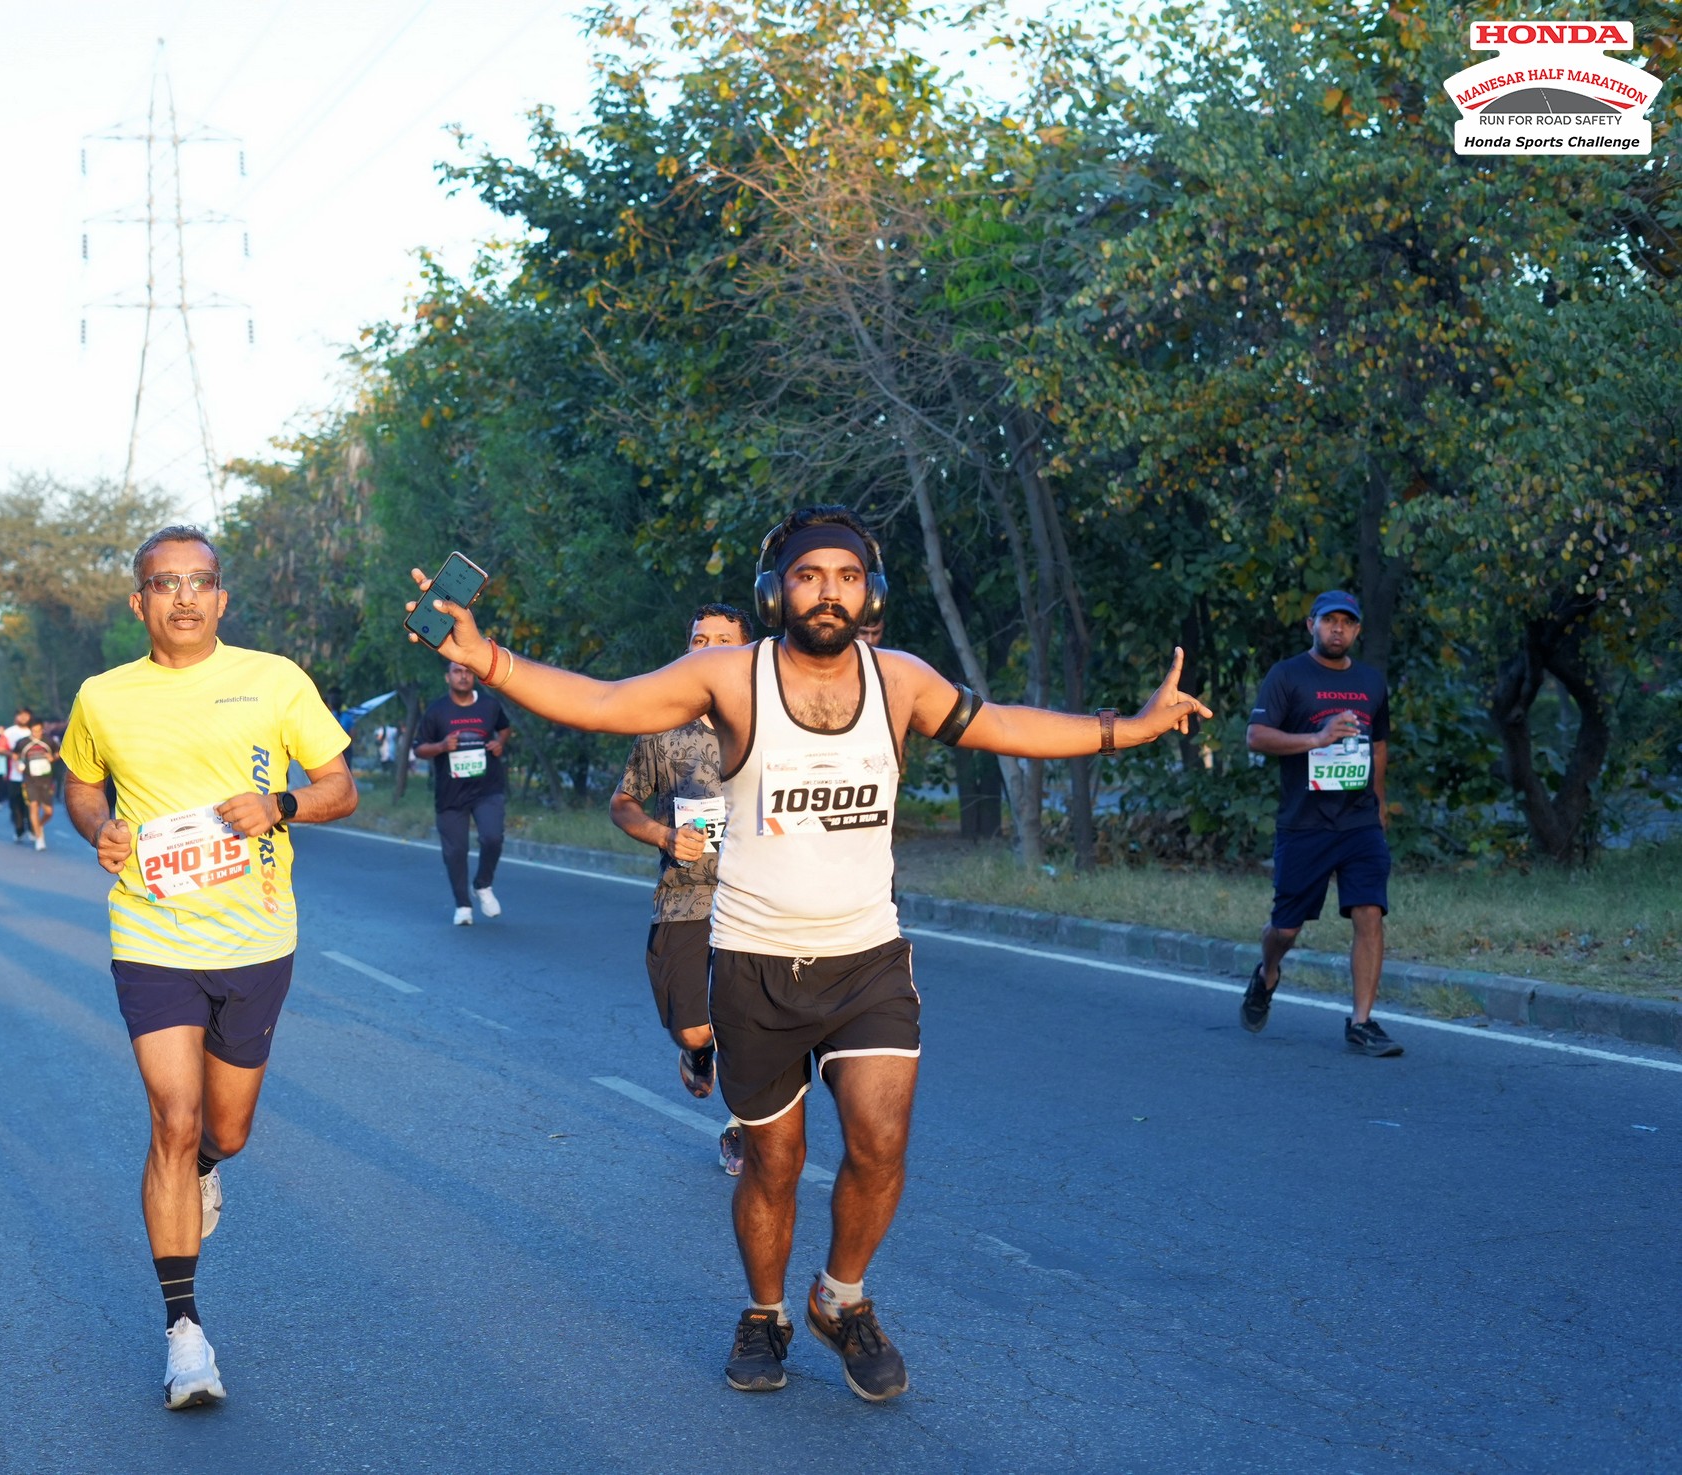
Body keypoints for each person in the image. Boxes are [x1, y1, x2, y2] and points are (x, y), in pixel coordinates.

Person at [405, 504, 1210, 1401]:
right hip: (755, 963)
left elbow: (1008, 725)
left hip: (867, 958)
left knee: (881, 1143)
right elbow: (601, 702)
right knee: (773, 1163)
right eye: (809, 575)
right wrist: (488, 658)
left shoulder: (900, 680)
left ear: (872, 593)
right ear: (775, 590)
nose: (829, 593)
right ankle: (765, 1312)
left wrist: (1129, 728)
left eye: (848, 577)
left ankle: (840, 1296)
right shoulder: (729, 676)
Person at [61, 525, 356, 1411]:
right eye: (166, 582)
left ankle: (206, 1164)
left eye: (200, 581)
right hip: (151, 931)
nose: (184, 596)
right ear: (139, 601)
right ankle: (184, 1333)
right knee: (173, 1118)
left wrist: (282, 802)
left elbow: (340, 786)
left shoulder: (274, 679)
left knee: (226, 1128)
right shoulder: (103, 696)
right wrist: (99, 827)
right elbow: (80, 783)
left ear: (222, 598)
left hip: (256, 936)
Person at [610, 603, 754, 1175]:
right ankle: (699, 1052)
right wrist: (664, 835)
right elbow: (624, 803)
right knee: (693, 1027)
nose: (709, 649)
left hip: (758, 898)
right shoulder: (663, 728)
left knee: (752, 1022)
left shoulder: (771, 726)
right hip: (685, 896)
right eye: (699, 640)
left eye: (723, 640)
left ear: (748, 652)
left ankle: (742, 1124)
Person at [1240, 590, 1401, 1057]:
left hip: (1359, 822)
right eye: (1329, 620)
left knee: (1370, 912)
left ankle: (1362, 1023)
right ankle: (1267, 972)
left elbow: (1378, 744)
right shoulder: (1287, 675)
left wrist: (1379, 800)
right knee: (1286, 930)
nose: (1337, 629)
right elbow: (1256, 736)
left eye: (1346, 622)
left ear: (1357, 630)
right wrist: (1318, 737)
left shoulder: (1371, 681)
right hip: (1304, 823)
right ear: (1311, 625)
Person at [412, 661, 514, 926]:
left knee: (492, 838)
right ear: (448, 677)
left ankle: (483, 884)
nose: (463, 676)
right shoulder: (437, 711)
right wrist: (442, 746)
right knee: (455, 851)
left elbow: (504, 728)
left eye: (468, 671)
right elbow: (419, 749)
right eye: (457, 671)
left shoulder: (489, 706)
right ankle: (463, 905)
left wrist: (500, 743)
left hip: (487, 788)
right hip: (451, 793)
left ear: (474, 677)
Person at [20, 719, 59, 850]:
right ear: (30, 730)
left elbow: (60, 752)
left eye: (38, 731)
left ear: (42, 730)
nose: (36, 733)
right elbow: (15, 755)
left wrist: (53, 757)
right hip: (30, 780)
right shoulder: (23, 743)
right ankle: (39, 838)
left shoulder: (49, 741)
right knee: (34, 806)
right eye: (33, 731)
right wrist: (18, 765)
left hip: (46, 780)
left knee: (49, 811)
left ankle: (39, 825)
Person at [1, 707, 36, 843]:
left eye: (26, 715)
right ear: (16, 717)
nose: (23, 718)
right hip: (14, 775)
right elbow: (0, 748)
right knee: (16, 805)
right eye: (20, 715)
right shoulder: (9, 732)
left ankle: (32, 829)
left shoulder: (35, 731)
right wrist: (12, 754)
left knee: (31, 804)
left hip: (33, 775)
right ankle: (19, 829)